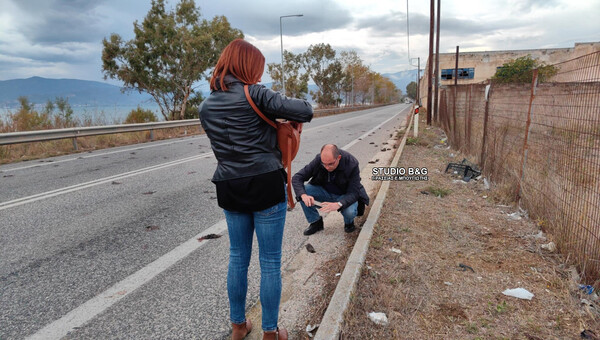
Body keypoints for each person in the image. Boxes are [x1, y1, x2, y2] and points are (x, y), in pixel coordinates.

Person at [199, 39, 313, 340]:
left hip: (228, 184)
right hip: (264, 182)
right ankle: (271, 332)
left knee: (238, 257)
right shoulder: (256, 93)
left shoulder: (206, 105)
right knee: (270, 261)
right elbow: (305, 110)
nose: (260, 76)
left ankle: (238, 326)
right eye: (258, 69)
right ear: (248, 66)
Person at [292, 144, 369, 235]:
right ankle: (316, 222)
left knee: (350, 212)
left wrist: (339, 204)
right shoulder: (319, 160)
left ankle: (349, 223)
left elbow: (354, 192)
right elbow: (297, 177)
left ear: (338, 158)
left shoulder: (351, 163)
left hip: (344, 195)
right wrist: (303, 195)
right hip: (325, 192)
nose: (327, 167)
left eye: (330, 164)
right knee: (302, 191)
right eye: (324, 164)